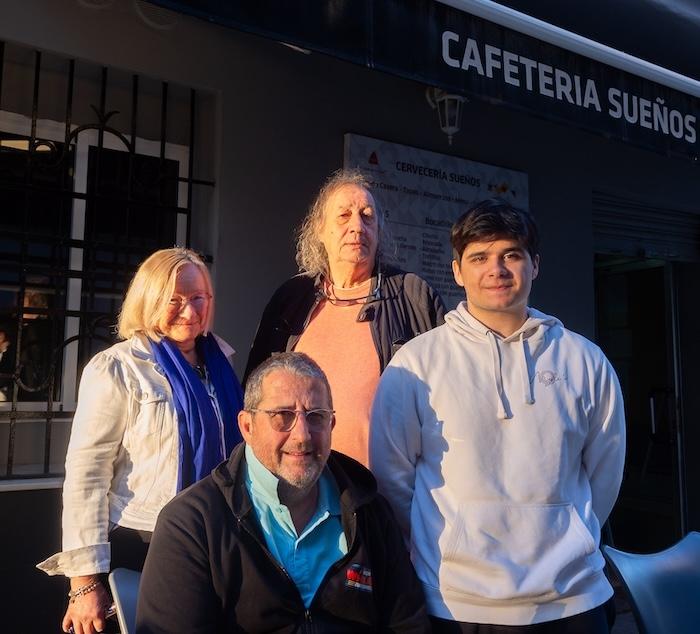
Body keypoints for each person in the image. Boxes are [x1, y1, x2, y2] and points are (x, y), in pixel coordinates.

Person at [370, 200, 626, 633]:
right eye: (480, 257)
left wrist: (570, 534)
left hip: (573, 599)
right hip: (456, 604)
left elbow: (606, 470)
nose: (497, 269)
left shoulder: (586, 360)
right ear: (456, 271)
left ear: (535, 265)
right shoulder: (416, 364)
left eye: (511, 254)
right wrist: (449, 549)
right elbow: (394, 479)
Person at [137, 352, 430, 633]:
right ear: (247, 426)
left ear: (332, 425)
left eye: (315, 416)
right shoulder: (192, 524)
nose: (302, 436)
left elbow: (406, 624)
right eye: (282, 415)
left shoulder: (369, 513)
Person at [37, 247, 244, 634]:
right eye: (174, 300)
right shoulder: (118, 368)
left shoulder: (221, 363)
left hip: (219, 538)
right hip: (143, 543)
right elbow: (87, 475)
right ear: (148, 299)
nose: (189, 310)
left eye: (198, 298)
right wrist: (84, 583)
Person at [245, 169, 445, 466]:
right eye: (344, 216)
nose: (358, 226)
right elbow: (255, 394)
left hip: (384, 493)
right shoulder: (291, 299)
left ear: (379, 230)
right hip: (300, 489)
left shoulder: (412, 296)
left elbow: (447, 393)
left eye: (367, 216)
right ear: (320, 229)